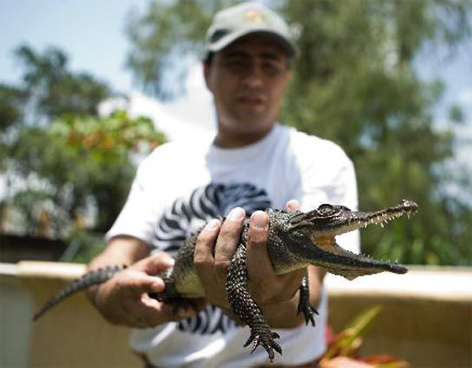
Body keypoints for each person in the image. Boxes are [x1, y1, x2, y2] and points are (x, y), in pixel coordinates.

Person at [87, 2, 359, 366]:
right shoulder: (164, 162)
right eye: (237, 62)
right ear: (207, 73)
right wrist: (106, 293)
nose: (254, 78)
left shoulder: (320, 158)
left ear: (286, 77)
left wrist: (273, 299)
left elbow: (305, 293)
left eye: (270, 64)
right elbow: (116, 255)